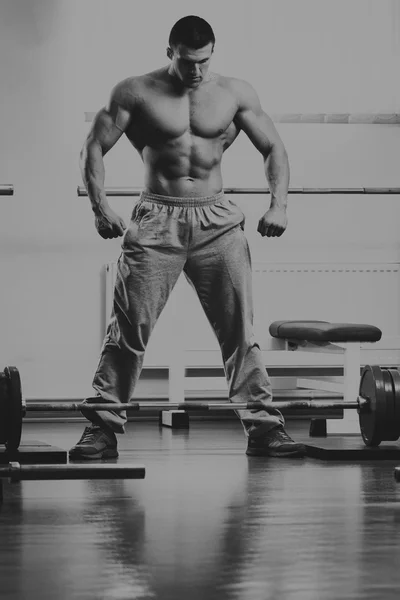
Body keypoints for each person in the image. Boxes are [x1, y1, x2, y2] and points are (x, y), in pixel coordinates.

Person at [70, 15, 306, 460]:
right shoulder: (134, 91)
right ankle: (101, 428)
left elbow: (274, 146)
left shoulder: (235, 92)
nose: (195, 71)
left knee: (240, 329)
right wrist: (100, 207)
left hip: (217, 218)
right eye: (186, 61)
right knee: (128, 327)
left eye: (203, 61)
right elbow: (93, 147)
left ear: (212, 53)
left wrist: (279, 204)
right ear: (169, 52)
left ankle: (264, 428)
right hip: (157, 217)